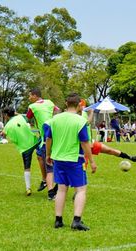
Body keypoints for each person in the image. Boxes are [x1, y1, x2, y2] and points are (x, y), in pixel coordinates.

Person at [45, 93, 97, 231]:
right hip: (75, 159)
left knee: (62, 189)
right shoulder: (79, 121)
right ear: (79, 104)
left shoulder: (55, 119)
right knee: (80, 189)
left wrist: (48, 154)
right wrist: (91, 161)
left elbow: (48, 138)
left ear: (66, 103)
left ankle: (58, 220)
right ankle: (76, 220)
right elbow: (85, 142)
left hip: (58, 158)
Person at [27, 88, 59, 200]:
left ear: (35, 96)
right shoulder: (50, 102)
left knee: (49, 163)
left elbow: (28, 117)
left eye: (30, 95)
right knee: (39, 156)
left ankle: (50, 189)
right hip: (54, 134)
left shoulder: (32, 106)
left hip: (46, 136)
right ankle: (45, 180)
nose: (29, 98)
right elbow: (57, 110)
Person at [2, 107, 40, 196]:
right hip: (34, 141)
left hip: (24, 148)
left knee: (27, 168)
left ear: (6, 115)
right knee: (45, 159)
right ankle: (46, 180)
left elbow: (3, 136)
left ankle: (28, 188)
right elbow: (25, 116)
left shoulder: (7, 126)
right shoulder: (20, 117)